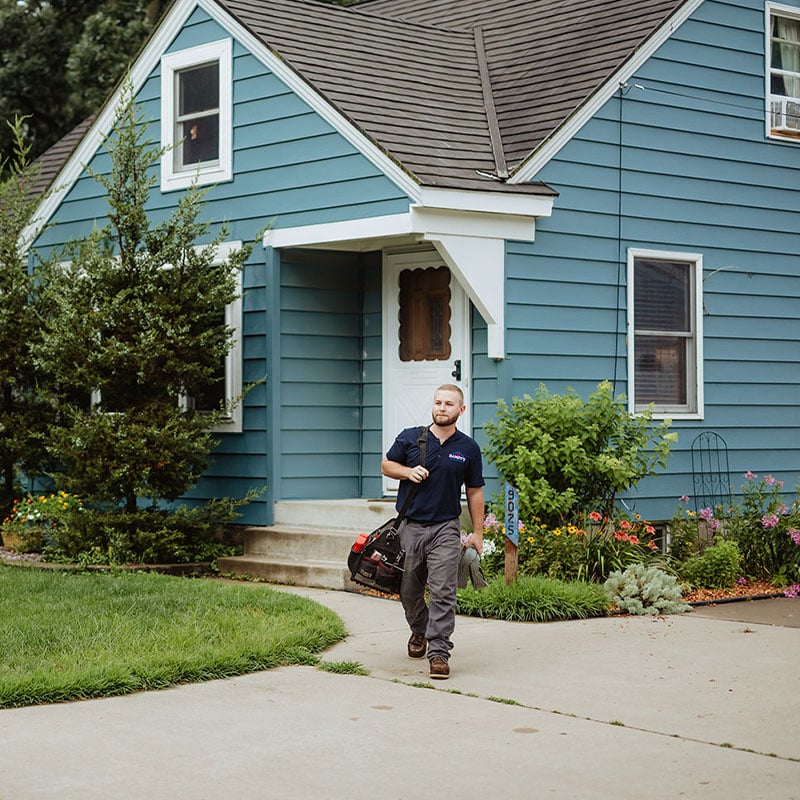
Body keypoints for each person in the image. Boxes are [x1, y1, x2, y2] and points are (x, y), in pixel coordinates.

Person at [381, 384, 485, 680]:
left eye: (449, 404)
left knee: (443, 590)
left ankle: (438, 651)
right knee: (409, 590)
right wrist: (406, 472)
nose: (442, 407)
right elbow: (386, 464)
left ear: (460, 410)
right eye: (438, 402)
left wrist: (477, 533)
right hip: (411, 526)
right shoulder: (410, 437)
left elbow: (475, 492)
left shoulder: (468, 448)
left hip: (446, 528)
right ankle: (420, 630)